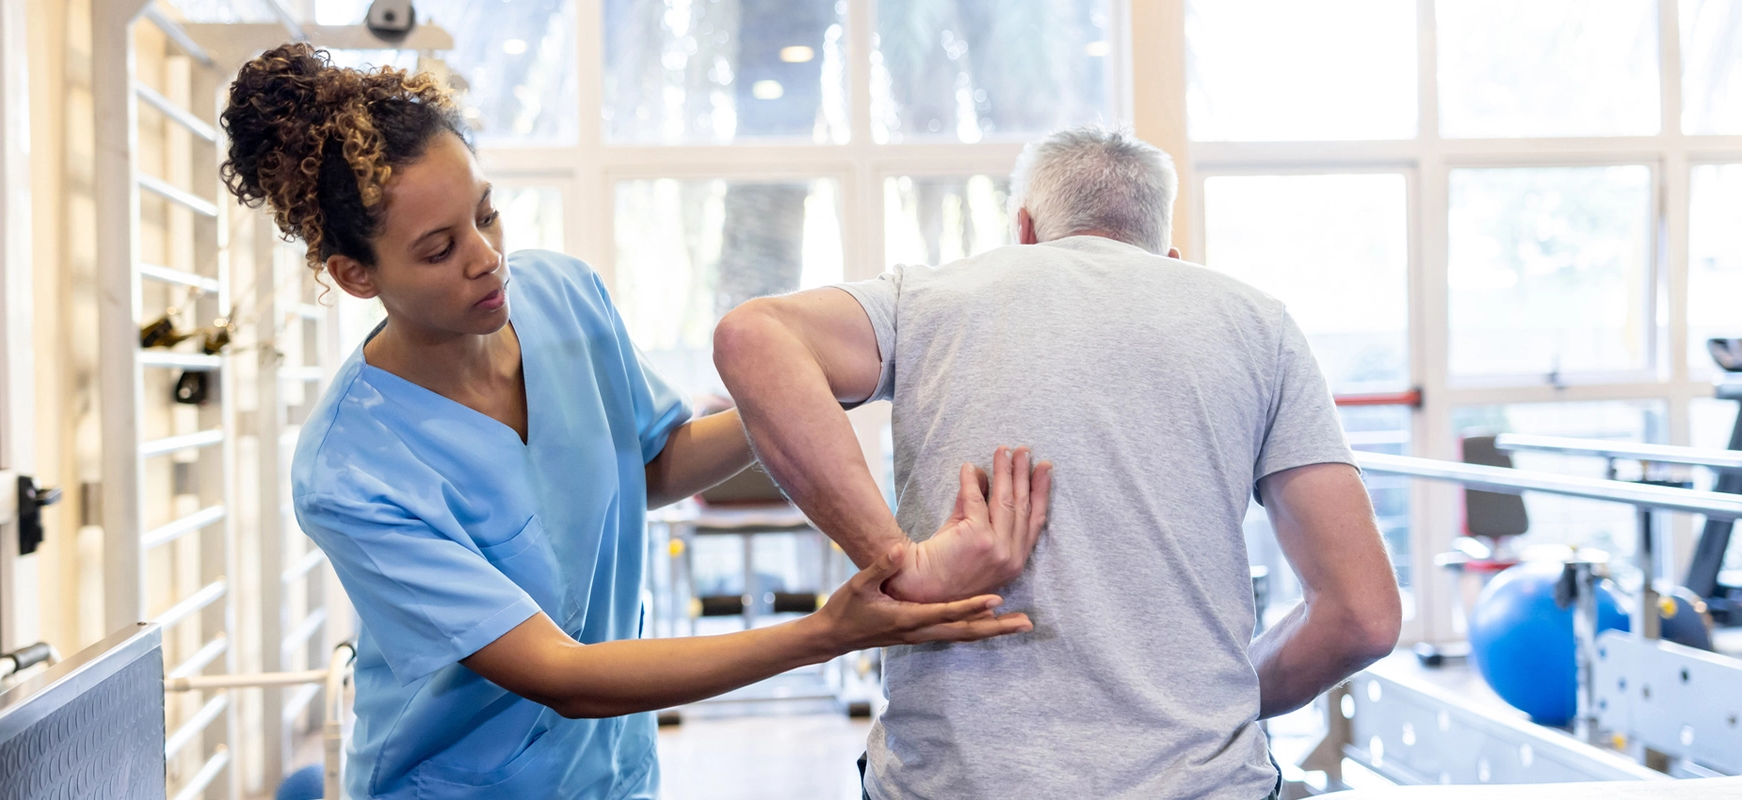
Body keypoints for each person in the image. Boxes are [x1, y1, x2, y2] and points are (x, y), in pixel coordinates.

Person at [220, 44, 1048, 800]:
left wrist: (813, 388)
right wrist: (826, 633)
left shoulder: (563, 297)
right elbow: (562, 674)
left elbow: (647, 469)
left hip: (615, 776)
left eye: (488, 213)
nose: (486, 257)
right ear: (355, 275)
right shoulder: (352, 469)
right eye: (438, 249)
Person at [714, 125, 1404, 799]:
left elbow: (752, 337)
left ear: (1023, 227)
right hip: (1203, 781)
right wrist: (1210, 703)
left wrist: (897, 559)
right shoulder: (1258, 324)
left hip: (954, 783)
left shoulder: (926, 300)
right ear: (1166, 254)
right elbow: (1363, 616)